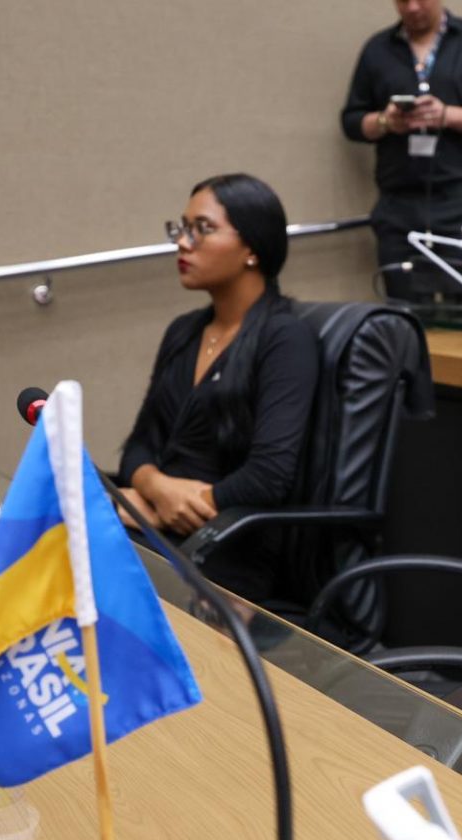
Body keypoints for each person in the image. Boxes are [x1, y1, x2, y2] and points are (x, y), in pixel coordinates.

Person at [118, 174, 319, 602]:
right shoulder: (184, 331)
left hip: (227, 544)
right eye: (181, 228)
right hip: (157, 525)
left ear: (251, 248)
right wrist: (156, 490)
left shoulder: (285, 338)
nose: (183, 243)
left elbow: (269, 476)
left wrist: (169, 509)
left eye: (202, 229)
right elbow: (139, 444)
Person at [340, 0, 462, 305]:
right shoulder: (378, 49)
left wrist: (447, 115)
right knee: (403, 314)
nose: (412, 7)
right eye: (403, 1)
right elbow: (352, 121)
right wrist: (385, 121)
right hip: (397, 203)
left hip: (457, 200)